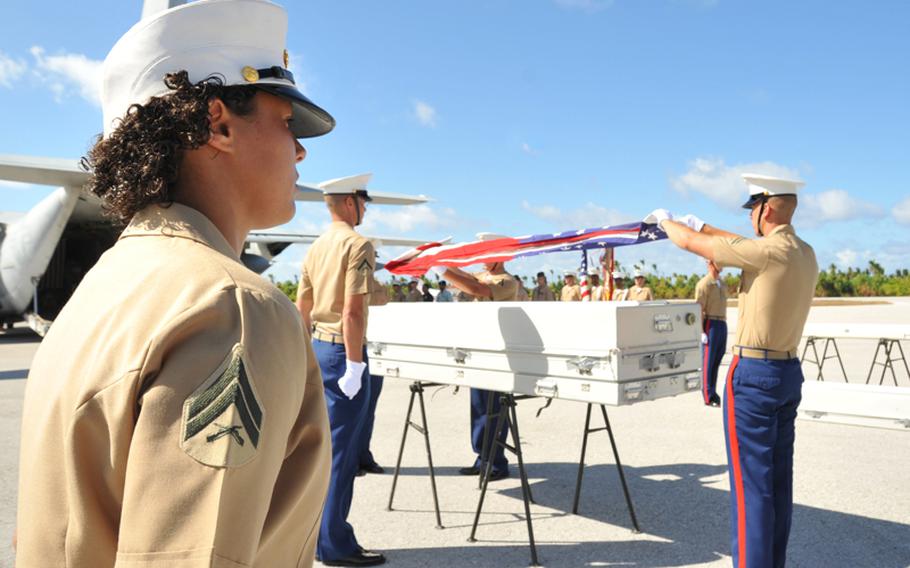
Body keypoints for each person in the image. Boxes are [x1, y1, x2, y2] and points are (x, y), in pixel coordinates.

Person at [15, 2, 334, 566]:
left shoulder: (103, 286)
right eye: (287, 122)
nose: (302, 149)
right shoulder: (233, 306)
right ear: (219, 122)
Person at [652, 172, 818, 568]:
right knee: (777, 484)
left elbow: (693, 243)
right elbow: (737, 243)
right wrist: (702, 224)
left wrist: (664, 222)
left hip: (755, 377)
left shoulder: (765, 253)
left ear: (768, 208)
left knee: (750, 490)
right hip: (787, 374)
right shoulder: (804, 252)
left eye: (753, 210)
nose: (748, 218)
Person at [297, 173, 386, 566]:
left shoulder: (316, 247)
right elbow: (351, 311)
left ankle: (316, 537)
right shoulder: (357, 244)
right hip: (343, 352)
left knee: (321, 451)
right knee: (341, 454)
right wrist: (354, 365)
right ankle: (334, 545)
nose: (365, 209)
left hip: (317, 347)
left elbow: (303, 308)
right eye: (363, 201)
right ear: (350, 202)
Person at [433, 249, 519, 481]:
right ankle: (482, 457)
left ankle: (497, 462)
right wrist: (441, 262)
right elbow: (468, 277)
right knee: (479, 406)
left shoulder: (508, 281)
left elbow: (476, 289)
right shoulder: (487, 275)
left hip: (498, 352)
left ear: (500, 258)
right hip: (481, 349)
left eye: (488, 256)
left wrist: (443, 270)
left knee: (494, 408)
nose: (482, 261)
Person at [356, 276, 390, 478]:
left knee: (368, 411)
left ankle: (363, 456)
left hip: (375, 349)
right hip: (351, 348)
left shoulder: (378, 284)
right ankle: (349, 460)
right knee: (353, 413)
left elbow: (383, 302)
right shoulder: (348, 279)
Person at [696, 260, 728, 407]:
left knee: (716, 361)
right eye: (718, 262)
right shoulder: (704, 284)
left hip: (722, 323)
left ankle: (713, 392)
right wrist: (701, 331)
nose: (721, 264)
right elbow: (699, 309)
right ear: (710, 263)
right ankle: (708, 396)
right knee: (708, 362)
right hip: (710, 323)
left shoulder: (722, 283)